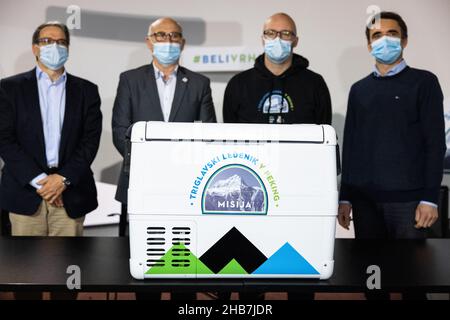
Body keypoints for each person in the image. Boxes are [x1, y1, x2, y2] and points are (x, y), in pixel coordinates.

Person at [222, 12, 332, 300]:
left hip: (300, 195)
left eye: (285, 34)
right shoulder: (239, 84)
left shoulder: (315, 83)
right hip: (252, 195)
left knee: (299, 272)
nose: (278, 39)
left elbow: (324, 140)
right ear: (262, 38)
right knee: (250, 274)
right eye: (272, 33)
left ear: (295, 40)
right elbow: (228, 144)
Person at [338, 11, 446, 300]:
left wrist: (429, 198)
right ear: (369, 44)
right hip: (365, 203)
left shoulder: (424, 83)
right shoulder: (359, 90)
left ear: (405, 40)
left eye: (392, 34)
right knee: (373, 284)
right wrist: (345, 197)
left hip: (409, 205)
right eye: (376, 35)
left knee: (413, 284)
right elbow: (352, 146)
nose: (384, 40)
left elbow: (436, 144)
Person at [112, 17, 217, 300]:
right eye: (161, 35)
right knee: (146, 272)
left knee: (184, 268)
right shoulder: (129, 80)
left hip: (187, 189)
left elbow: (208, 135)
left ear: (182, 43)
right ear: (149, 42)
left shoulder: (199, 83)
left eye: (174, 36)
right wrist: (155, 168)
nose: (168, 41)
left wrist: (178, 171)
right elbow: (121, 132)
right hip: (141, 185)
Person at [0, 22, 102, 299]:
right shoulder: (9, 89)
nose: (54, 47)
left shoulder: (87, 91)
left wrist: (63, 179)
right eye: (47, 41)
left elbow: (90, 141)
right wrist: (41, 182)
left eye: (61, 41)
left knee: (67, 278)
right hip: (26, 193)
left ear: (68, 48)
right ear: (35, 48)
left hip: (70, 192)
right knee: (25, 278)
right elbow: (5, 140)